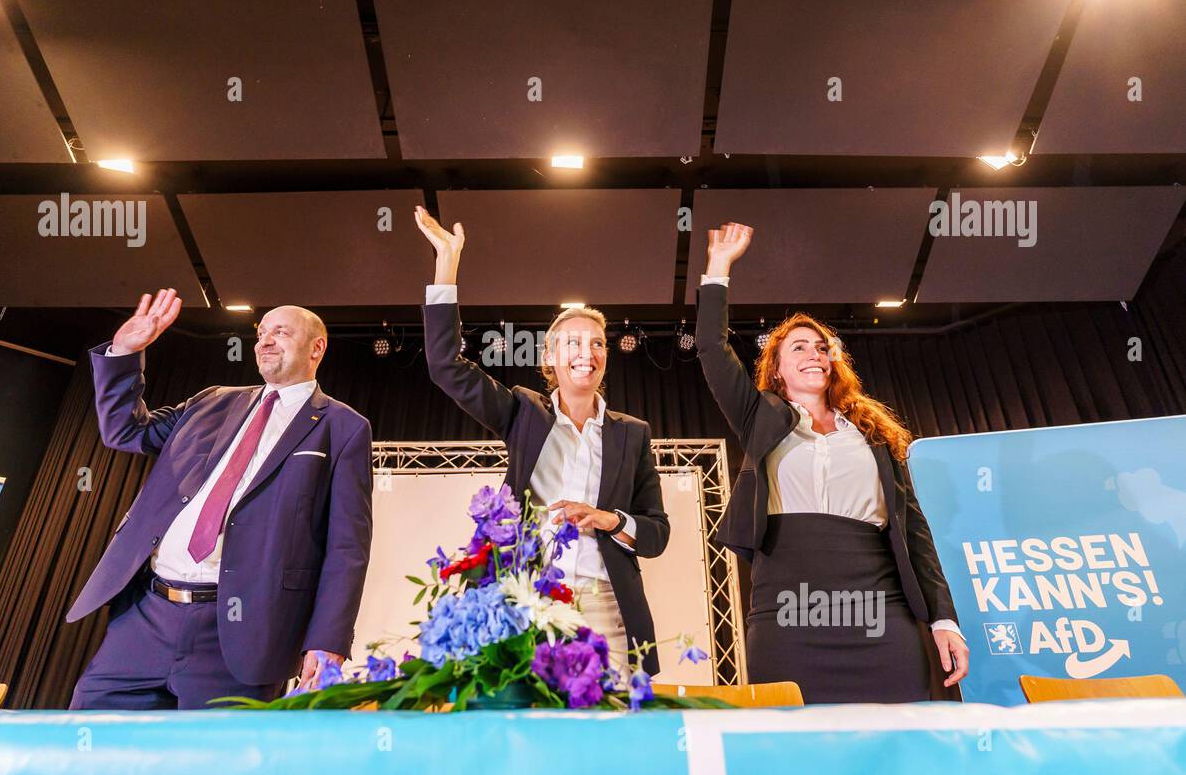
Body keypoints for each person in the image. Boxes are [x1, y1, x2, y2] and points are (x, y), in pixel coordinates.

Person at [697, 223, 969, 703]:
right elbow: (712, 351)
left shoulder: (873, 434)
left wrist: (945, 619)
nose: (814, 354)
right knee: (796, 744)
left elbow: (915, 534)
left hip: (879, 609)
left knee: (896, 740)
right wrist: (719, 268)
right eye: (797, 347)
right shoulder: (760, 417)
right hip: (788, 610)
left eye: (822, 347)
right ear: (776, 369)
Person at [66, 288, 373, 709]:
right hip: (146, 616)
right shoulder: (211, 402)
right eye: (262, 332)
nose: (265, 340)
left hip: (243, 631)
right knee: (94, 745)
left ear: (317, 347)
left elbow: (346, 548)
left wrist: (326, 639)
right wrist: (123, 352)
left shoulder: (343, 428)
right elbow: (126, 431)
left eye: (280, 332)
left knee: (216, 767)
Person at [415, 207, 670, 677]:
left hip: (604, 607)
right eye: (572, 342)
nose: (586, 352)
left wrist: (609, 519)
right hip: (525, 600)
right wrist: (447, 263)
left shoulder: (632, 434)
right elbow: (445, 365)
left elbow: (656, 533)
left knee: (610, 735)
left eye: (597, 343)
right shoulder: (523, 412)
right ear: (549, 356)